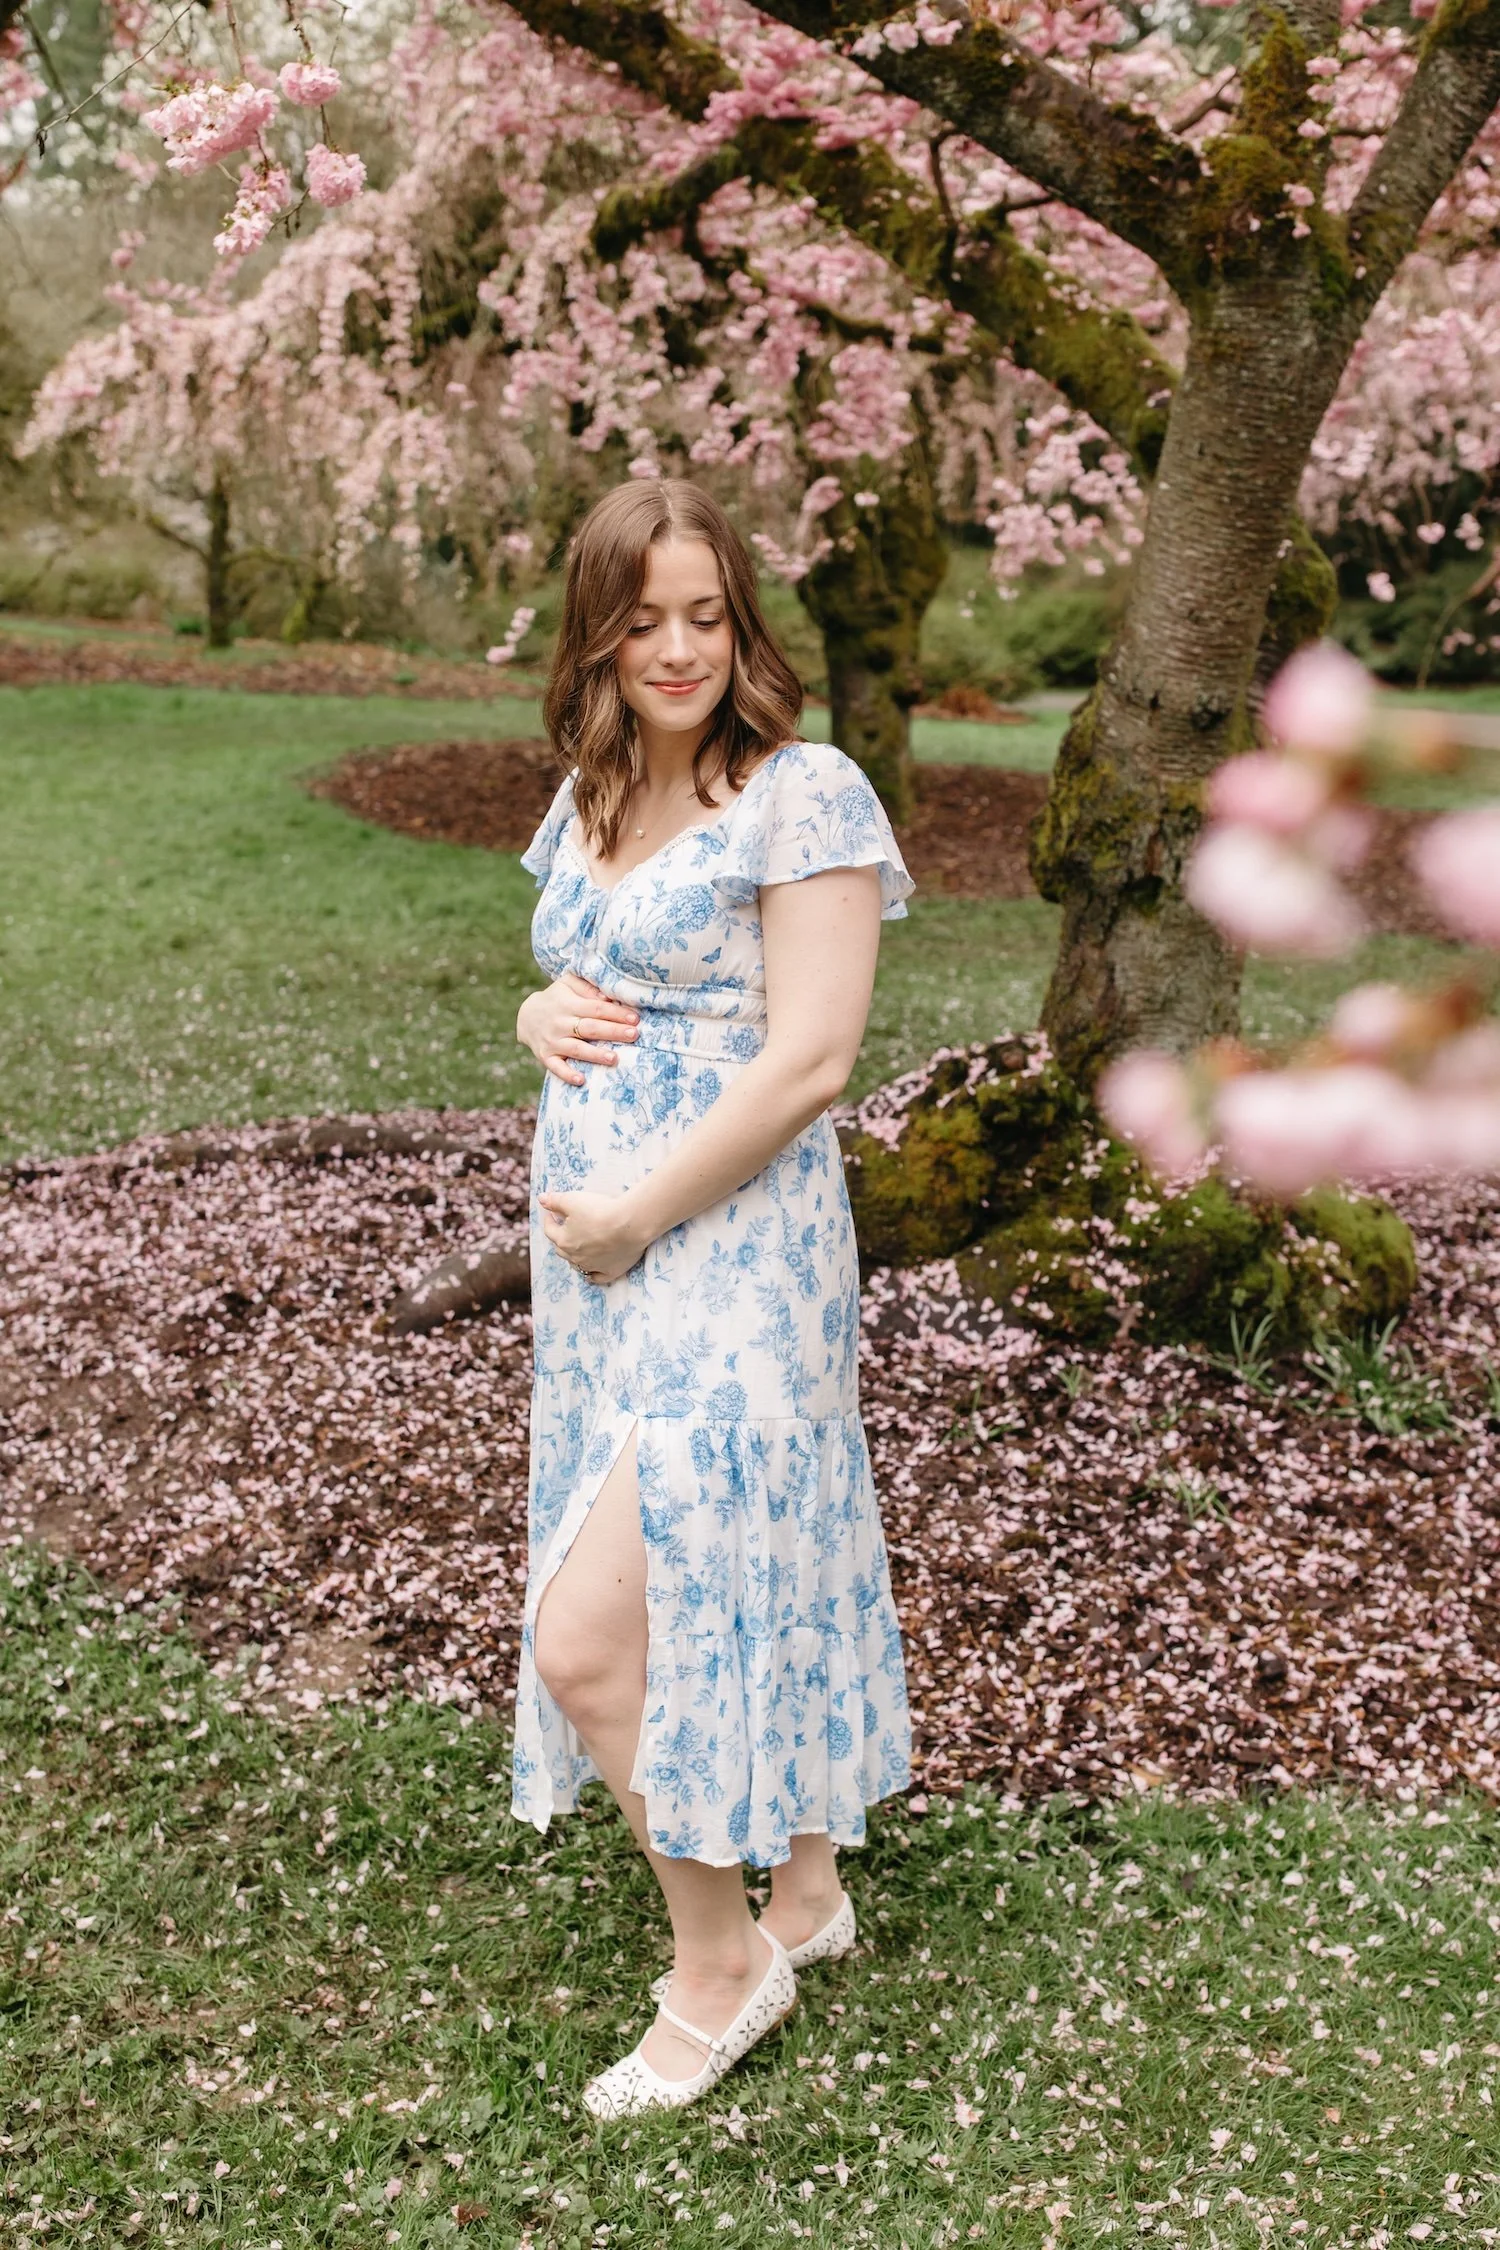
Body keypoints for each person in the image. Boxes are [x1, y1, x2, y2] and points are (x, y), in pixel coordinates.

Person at [510, 477, 914, 2120]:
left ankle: (721, 1961)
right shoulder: (591, 789)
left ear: (743, 621)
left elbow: (811, 1057)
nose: (676, 649)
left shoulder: (797, 792)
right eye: (641, 615)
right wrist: (540, 1013)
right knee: (733, 1555)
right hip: (600, 1270)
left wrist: (631, 1217)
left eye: (706, 613)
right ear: (596, 628)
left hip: (732, 1259)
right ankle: (801, 1892)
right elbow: (586, 971)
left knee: (590, 1636)